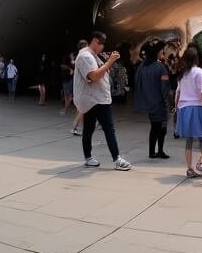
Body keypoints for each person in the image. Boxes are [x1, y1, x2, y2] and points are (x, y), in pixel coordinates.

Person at [73, 31, 131, 171]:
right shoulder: (85, 56)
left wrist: (106, 63)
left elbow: (100, 71)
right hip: (95, 99)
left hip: (94, 99)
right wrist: (109, 62)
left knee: (89, 129)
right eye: (101, 45)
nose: (102, 48)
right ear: (95, 41)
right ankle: (117, 159)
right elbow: (93, 76)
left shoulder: (92, 55)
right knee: (108, 129)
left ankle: (88, 157)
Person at [174, 46, 202, 178]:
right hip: (197, 108)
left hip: (184, 109)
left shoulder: (183, 74)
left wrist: (176, 109)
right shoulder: (199, 72)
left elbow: (177, 94)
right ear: (197, 58)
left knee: (189, 141)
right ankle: (200, 163)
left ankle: (189, 169)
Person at [132, 39, 171, 159]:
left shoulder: (142, 67)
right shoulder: (160, 67)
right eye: (161, 51)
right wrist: (169, 102)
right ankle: (160, 151)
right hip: (159, 104)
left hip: (148, 103)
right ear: (157, 53)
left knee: (154, 127)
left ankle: (151, 152)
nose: (162, 53)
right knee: (162, 128)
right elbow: (164, 87)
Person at [60, 51, 75, 116]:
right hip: (65, 78)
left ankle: (65, 109)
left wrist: (72, 60)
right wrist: (69, 69)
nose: (71, 55)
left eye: (72, 55)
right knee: (66, 94)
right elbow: (62, 66)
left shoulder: (74, 61)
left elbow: (74, 69)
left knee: (69, 95)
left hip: (70, 79)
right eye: (70, 54)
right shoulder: (66, 60)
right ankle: (65, 108)